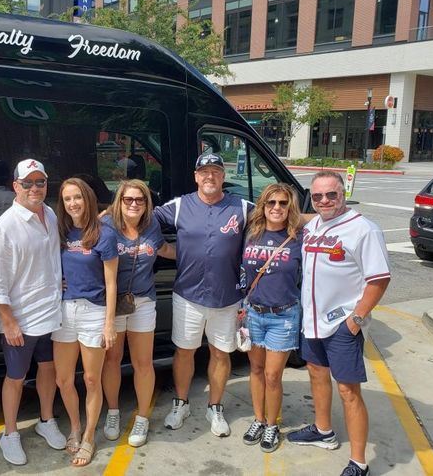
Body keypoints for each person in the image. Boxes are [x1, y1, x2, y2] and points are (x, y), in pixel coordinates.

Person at [287, 171, 390, 476]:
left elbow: (379, 279)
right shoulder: (314, 225)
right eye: (317, 196)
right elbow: (298, 217)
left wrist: (355, 320)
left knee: (348, 391)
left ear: (343, 194)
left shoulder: (364, 229)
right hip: (312, 321)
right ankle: (323, 431)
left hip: (342, 325)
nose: (324, 201)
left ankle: (359, 462)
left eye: (331, 194)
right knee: (317, 374)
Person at [154, 153, 253, 437]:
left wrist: (325, 218)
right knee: (184, 351)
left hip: (227, 297)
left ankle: (215, 407)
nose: (210, 176)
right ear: (196, 176)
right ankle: (181, 404)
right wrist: (162, 248)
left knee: (221, 353)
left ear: (223, 176)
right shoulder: (180, 205)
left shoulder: (242, 207)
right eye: (204, 172)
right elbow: (141, 216)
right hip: (188, 295)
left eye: (216, 172)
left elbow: (279, 215)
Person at [0, 158, 66, 465]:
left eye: (40, 182)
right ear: (15, 186)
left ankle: (46, 420)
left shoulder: (50, 213)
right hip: (20, 318)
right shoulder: (5, 226)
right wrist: (8, 322)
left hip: (51, 312)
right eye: (28, 183)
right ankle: (10, 433)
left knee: (48, 368)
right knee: (15, 377)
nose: (35, 188)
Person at [101, 179, 176, 447]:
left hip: (143, 301)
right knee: (112, 360)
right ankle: (113, 412)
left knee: (143, 363)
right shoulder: (106, 225)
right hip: (112, 303)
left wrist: (199, 255)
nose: (134, 204)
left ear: (147, 203)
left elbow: (163, 249)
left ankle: (142, 418)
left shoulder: (151, 224)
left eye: (140, 199)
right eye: (128, 199)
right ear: (119, 201)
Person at [53, 178, 118, 467]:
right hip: (64, 310)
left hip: (94, 311)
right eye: (67, 199)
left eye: (77, 197)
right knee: (63, 379)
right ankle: (75, 427)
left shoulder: (104, 233)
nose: (73, 203)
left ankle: (89, 437)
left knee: (92, 379)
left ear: (88, 199)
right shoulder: (60, 230)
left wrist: (109, 323)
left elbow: (111, 282)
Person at [240, 183, 303, 453]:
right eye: (271, 202)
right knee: (255, 370)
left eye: (283, 203)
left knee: (273, 375)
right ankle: (258, 419)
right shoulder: (251, 233)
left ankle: (271, 424)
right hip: (254, 313)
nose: (277, 208)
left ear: (290, 207)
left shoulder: (299, 238)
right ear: (263, 206)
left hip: (283, 315)